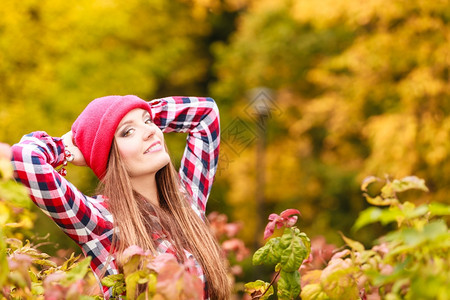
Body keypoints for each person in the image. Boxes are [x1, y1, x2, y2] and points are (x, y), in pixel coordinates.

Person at [11, 95, 230, 299]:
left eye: (148, 122)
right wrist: (66, 147)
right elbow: (22, 159)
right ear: (107, 155)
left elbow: (205, 113)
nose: (150, 131)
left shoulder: (187, 199)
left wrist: (137, 114)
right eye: (127, 132)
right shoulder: (99, 221)